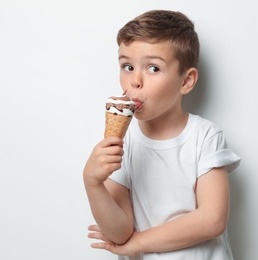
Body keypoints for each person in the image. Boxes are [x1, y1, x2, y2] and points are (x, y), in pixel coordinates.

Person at [83, 9, 241, 260]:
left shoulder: (205, 136)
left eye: (153, 68)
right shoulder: (124, 142)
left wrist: (136, 244)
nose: (135, 81)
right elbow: (119, 232)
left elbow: (212, 219)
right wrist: (93, 184)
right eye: (127, 66)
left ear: (186, 81)